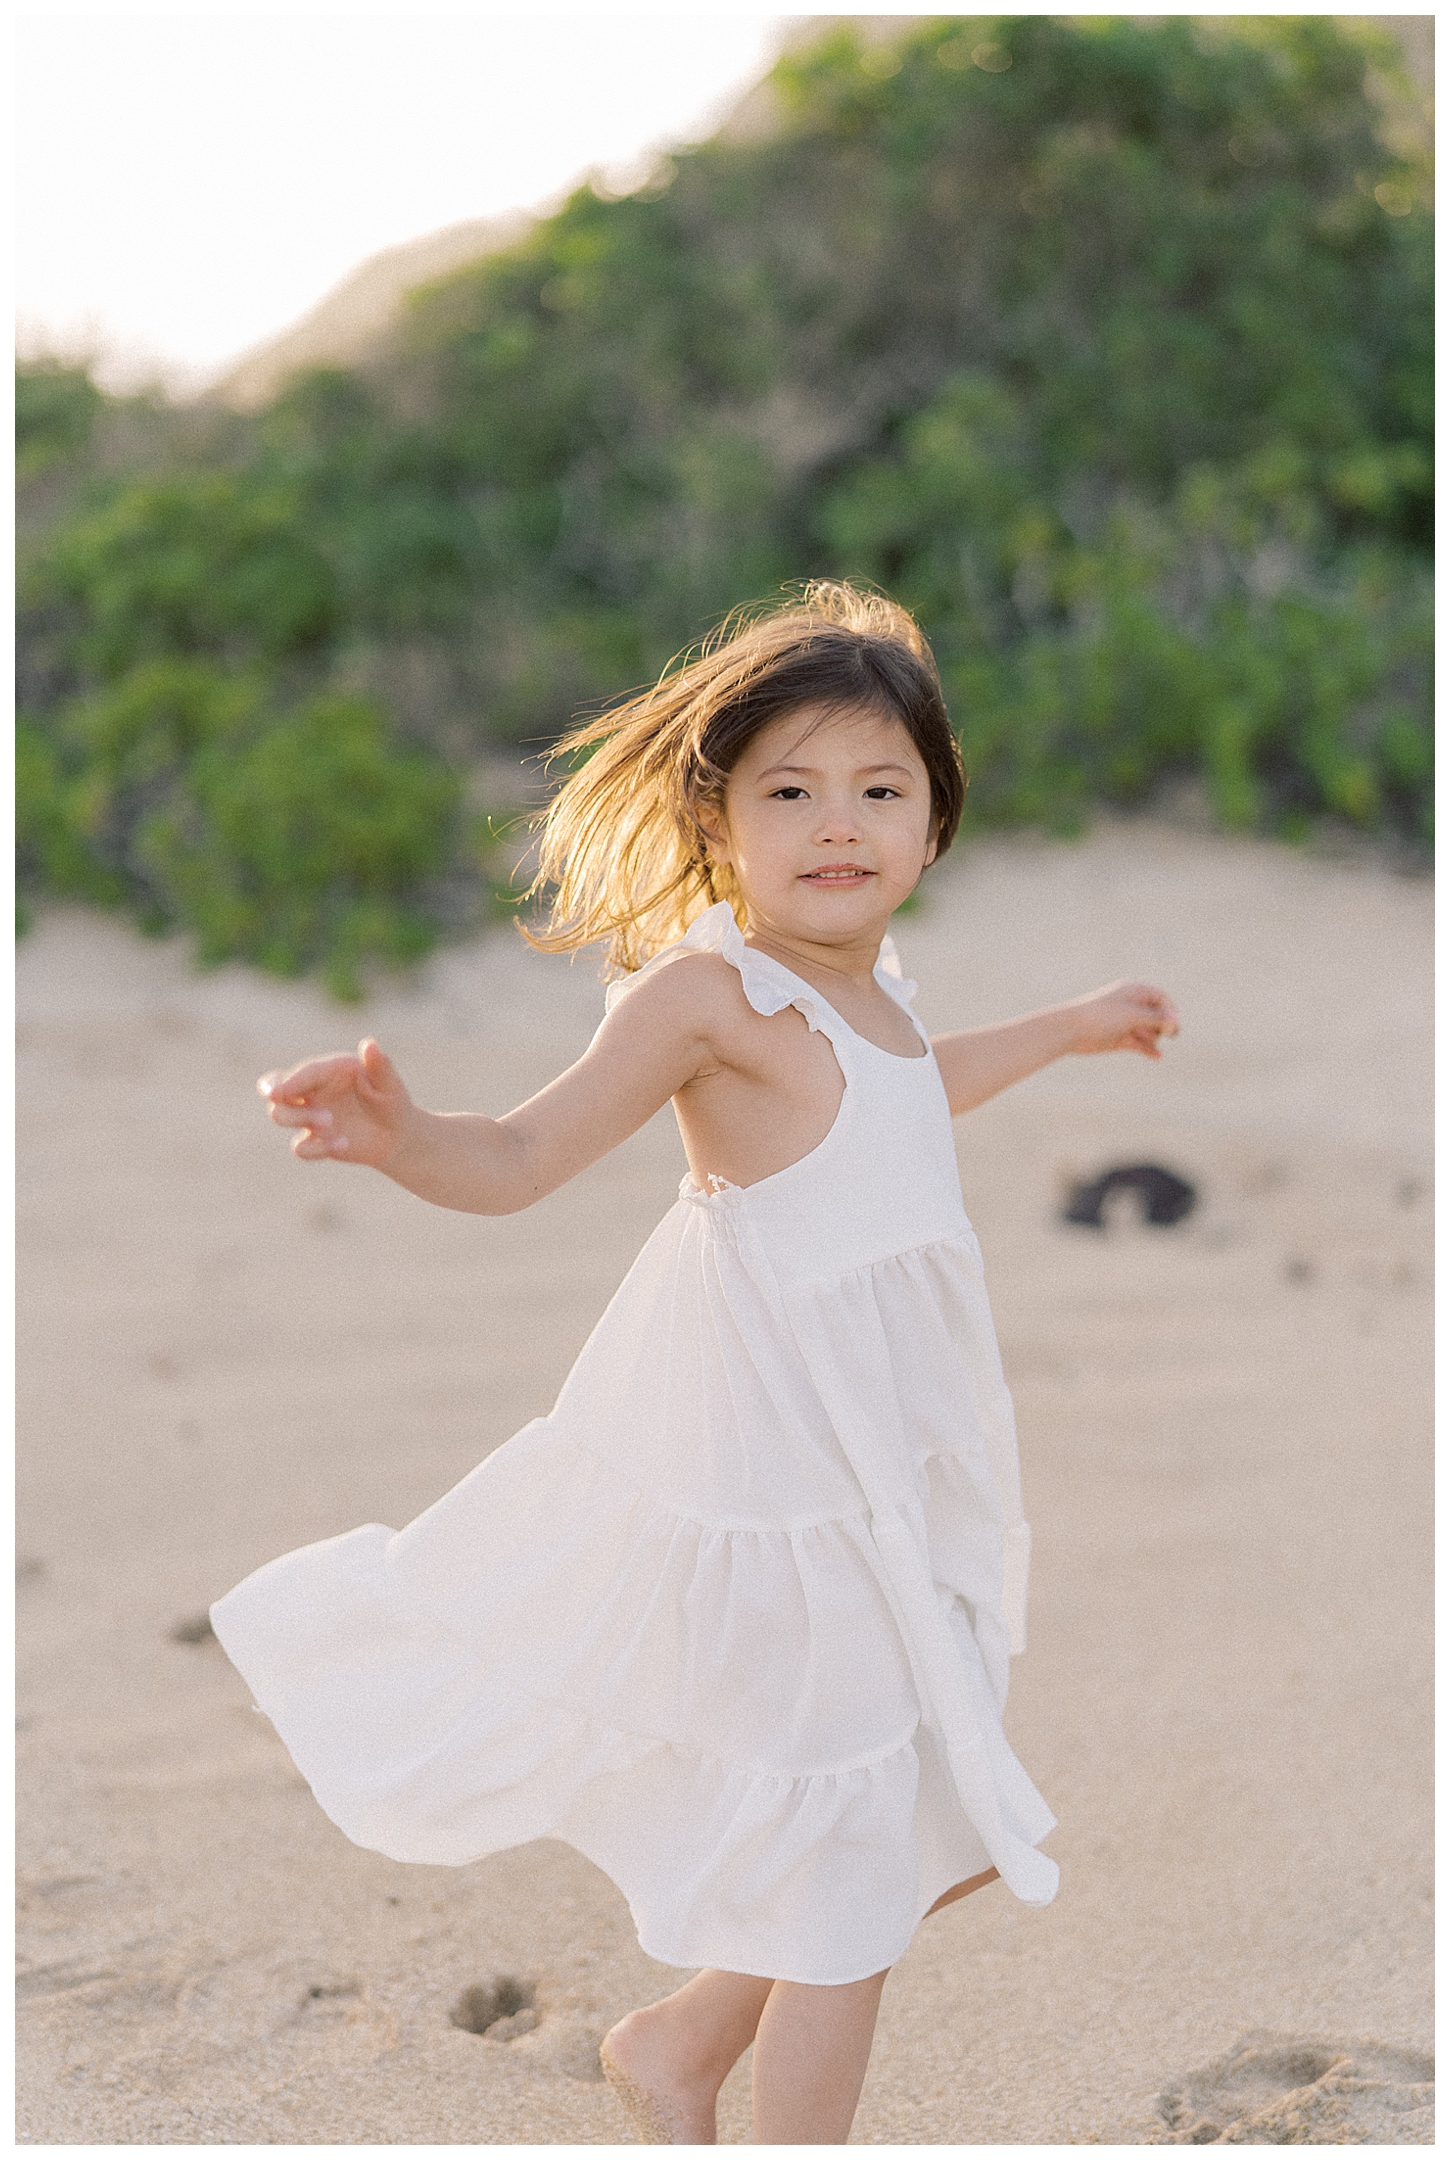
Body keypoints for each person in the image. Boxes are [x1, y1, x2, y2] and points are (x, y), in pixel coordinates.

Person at [211, 583, 1179, 2144]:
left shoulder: (877, 1001)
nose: (837, 824)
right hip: (772, 1498)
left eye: (880, 790)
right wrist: (406, 1141)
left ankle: (679, 2040)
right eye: (788, 792)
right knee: (858, 1879)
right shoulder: (710, 998)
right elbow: (521, 1154)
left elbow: (915, 1098)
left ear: (935, 826)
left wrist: (1066, 1026)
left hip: (881, 1481)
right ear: (719, 820)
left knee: (927, 1805)